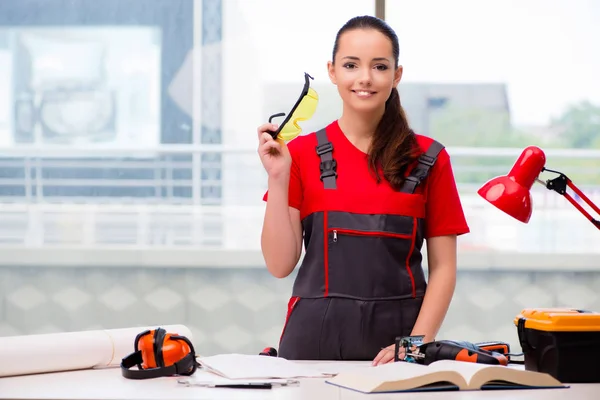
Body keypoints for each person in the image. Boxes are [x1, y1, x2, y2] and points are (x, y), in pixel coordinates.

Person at [257, 15, 470, 365]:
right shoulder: (298, 155)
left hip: (398, 352)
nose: (365, 78)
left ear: (397, 75)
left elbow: (444, 269)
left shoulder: (430, 159)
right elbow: (280, 265)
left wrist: (414, 346)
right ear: (332, 71)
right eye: (351, 65)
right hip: (311, 353)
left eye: (380, 66)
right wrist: (277, 178)